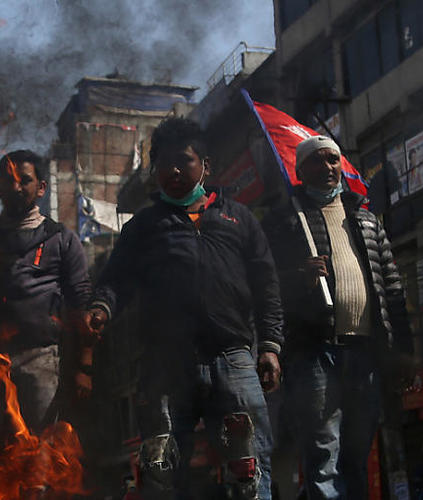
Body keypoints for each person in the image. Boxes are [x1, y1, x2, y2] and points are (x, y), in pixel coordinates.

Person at [90, 118, 283, 499]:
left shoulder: (239, 219)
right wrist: (101, 308)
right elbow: (116, 281)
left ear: (205, 166)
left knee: (250, 470)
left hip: (234, 360)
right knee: (162, 473)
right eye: (163, 163)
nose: (174, 171)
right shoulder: (144, 227)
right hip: (165, 369)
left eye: (184, 161)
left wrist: (271, 346)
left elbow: (267, 286)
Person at [262, 136, 413, 500]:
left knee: (357, 456)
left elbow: (392, 288)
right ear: (300, 171)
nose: (328, 168)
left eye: (334, 160)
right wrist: (299, 275)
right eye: (318, 161)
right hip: (314, 352)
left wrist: (403, 352)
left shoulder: (365, 219)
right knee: (322, 456)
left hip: (365, 353)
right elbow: (262, 286)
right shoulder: (285, 223)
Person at [0, 150, 98, 445]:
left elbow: (80, 304)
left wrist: (84, 368)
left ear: (41, 187)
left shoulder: (61, 240)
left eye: (25, 180)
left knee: (35, 452)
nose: (16, 187)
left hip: (38, 357)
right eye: (8, 180)